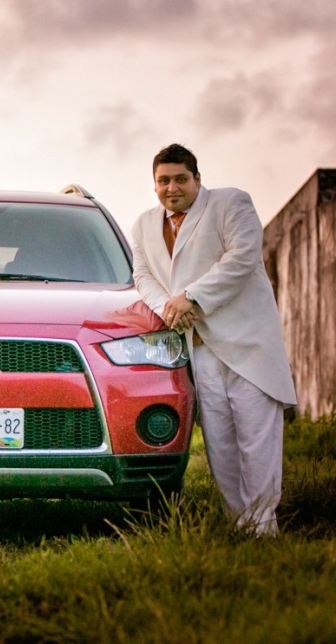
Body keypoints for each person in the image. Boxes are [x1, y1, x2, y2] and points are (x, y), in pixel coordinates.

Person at [131, 143, 296, 536]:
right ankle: (238, 525)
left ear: (197, 179)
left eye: (180, 179)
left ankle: (262, 527)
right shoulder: (142, 225)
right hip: (199, 349)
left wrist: (192, 297)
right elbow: (143, 278)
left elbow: (242, 258)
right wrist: (172, 308)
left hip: (246, 345)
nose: (172, 187)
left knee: (256, 440)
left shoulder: (230, 203)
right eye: (163, 180)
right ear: (154, 185)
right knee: (221, 444)